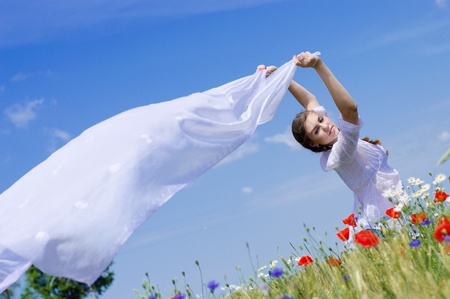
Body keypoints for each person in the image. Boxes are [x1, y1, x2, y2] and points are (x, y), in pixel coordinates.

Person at [259, 51, 406, 233]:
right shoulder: (340, 152)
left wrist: (281, 77)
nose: (325, 125)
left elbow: (310, 101)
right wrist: (318, 65)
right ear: (313, 144)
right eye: (316, 131)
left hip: (391, 212)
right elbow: (351, 109)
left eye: (321, 120)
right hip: (384, 222)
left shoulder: (335, 142)